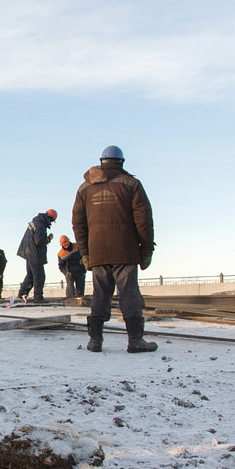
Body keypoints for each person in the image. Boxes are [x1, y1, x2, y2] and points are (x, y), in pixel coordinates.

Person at [72, 145, 156, 353]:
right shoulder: (131, 183)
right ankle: (135, 341)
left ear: (101, 162)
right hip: (125, 250)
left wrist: (85, 252)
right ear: (121, 162)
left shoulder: (84, 188)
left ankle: (95, 341)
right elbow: (144, 221)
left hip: (97, 251)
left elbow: (78, 223)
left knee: (100, 294)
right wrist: (146, 250)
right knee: (129, 293)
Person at [15, 209, 57, 302]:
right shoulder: (40, 225)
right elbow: (39, 241)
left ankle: (22, 294)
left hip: (28, 252)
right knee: (39, 275)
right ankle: (38, 297)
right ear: (50, 219)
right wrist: (48, 239)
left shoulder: (35, 222)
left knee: (30, 275)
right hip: (35, 253)